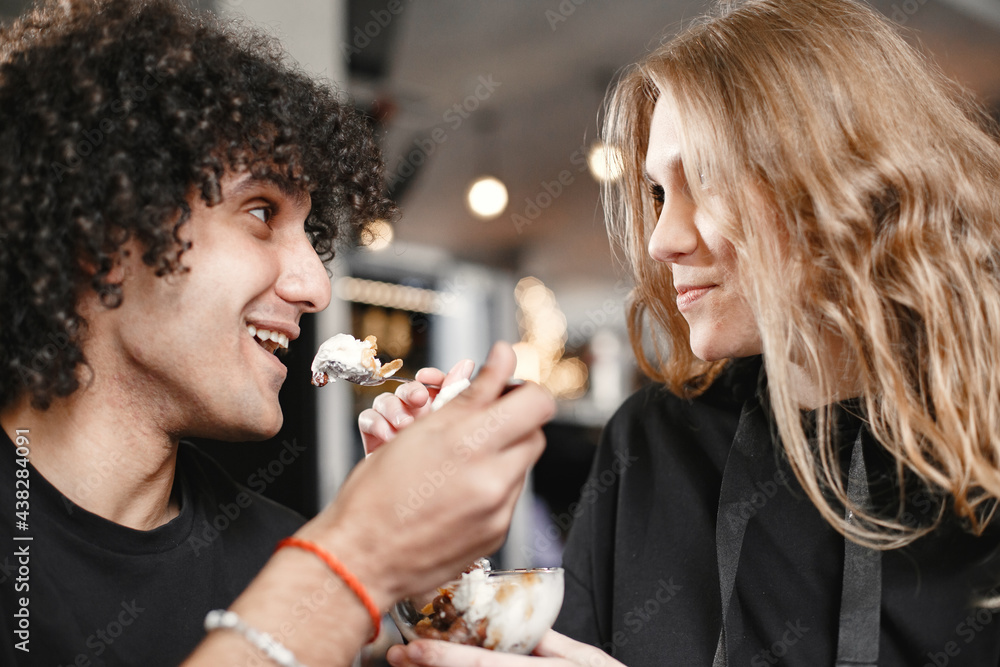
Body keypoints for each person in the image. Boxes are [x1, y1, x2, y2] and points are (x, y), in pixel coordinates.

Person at [364, 1, 1000, 665]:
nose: (663, 238)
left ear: (840, 178)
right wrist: (429, 555)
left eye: (709, 179)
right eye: (660, 193)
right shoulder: (652, 443)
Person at [0, 1, 554, 665]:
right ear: (102, 229)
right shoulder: (316, 565)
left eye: (308, 231)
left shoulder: (277, 550)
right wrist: (354, 552)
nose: (316, 288)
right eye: (260, 211)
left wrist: (429, 586)